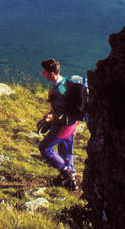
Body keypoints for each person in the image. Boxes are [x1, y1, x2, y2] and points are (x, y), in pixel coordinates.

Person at [39, 58, 78, 190]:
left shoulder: (56, 91)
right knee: (66, 151)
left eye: (44, 72)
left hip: (63, 126)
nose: (43, 74)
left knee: (45, 148)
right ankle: (70, 181)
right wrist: (52, 112)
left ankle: (65, 170)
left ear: (52, 74)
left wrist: (50, 101)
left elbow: (60, 114)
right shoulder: (66, 82)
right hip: (73, 123)